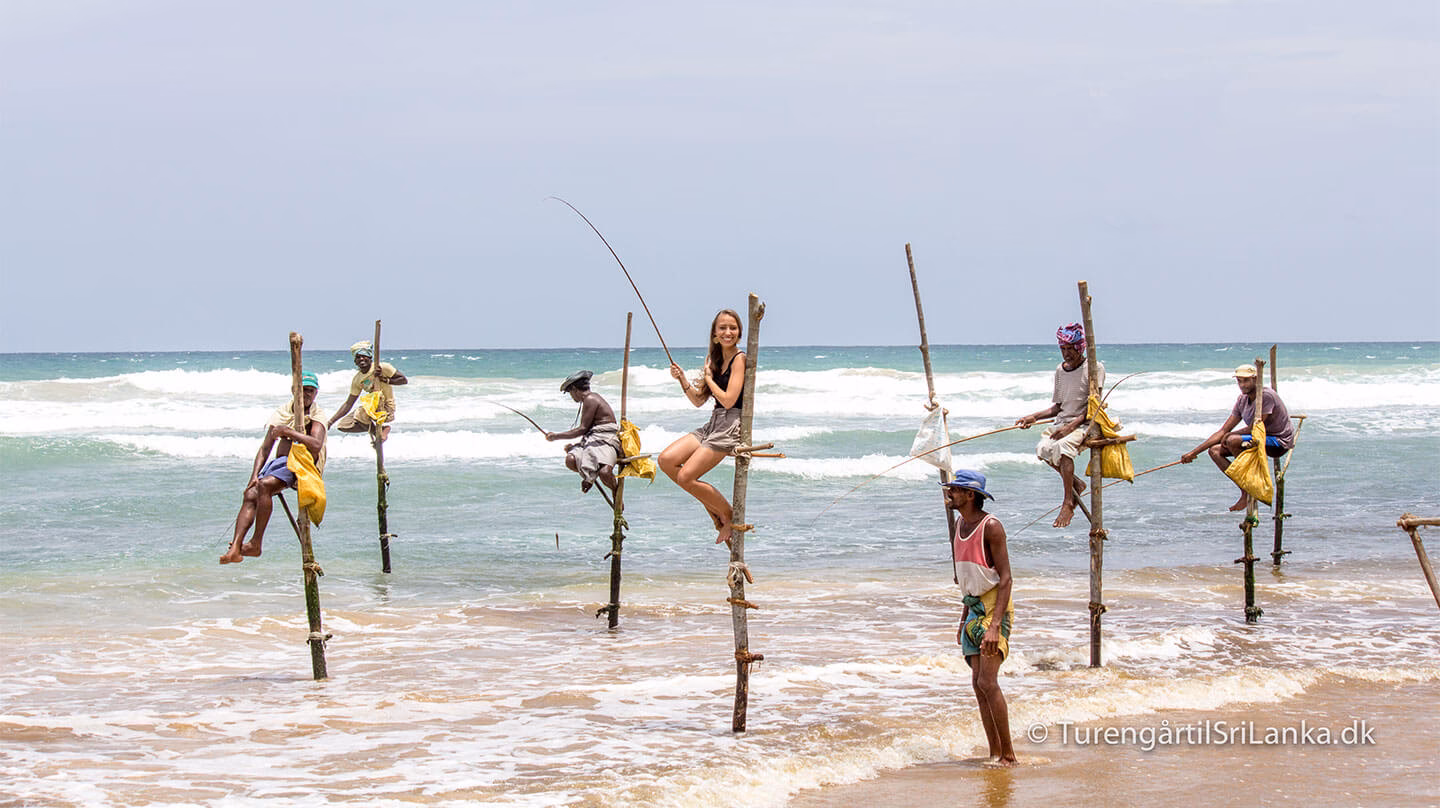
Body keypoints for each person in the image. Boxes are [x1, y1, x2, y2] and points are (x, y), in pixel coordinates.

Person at [945, 470, 1016, 767]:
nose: (950, 495)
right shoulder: (959, 524)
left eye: (955, 491)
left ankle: (1008, 754)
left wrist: (995, 625)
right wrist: (963, 619)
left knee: (988, 682)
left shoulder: (992, 527)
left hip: (992, 611)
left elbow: (1007, 578)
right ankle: (993, 752)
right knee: (977, 684)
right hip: (972, 610)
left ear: (970, 495)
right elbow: (967, 582)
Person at [658, 308, 746, 545]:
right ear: (715, 334)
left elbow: (728, 400)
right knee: (666, 460)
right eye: (723, 328)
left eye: (733, 328)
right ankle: (713, 505)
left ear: (739, 333)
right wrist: (682, 379)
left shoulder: (740, 359)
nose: (728, 332)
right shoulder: (715, 360)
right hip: (713, 422)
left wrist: (708, 378)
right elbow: (698, 400)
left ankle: (727, 514)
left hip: (730, 425)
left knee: (687, 476)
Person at [220, 372, 328, 564]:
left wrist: (288, 432)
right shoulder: (283, 412)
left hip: (304, 464)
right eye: (303, 390)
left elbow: (316, 445)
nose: (307, 395)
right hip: (282, 463)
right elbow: (265, 448)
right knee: (251, 493)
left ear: (316, 393)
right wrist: (253, 475)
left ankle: (256, 543)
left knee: (266, 485)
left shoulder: (317, 414)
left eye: (311, 391)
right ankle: (236, 547)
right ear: (294, 391)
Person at [1014, 323, 1105, 528]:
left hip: (1085, 424)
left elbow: (1094, 407)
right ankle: (1076, 483)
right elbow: (1058, 407)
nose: (1066, 354)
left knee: (1062, 448)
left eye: (1070, 349)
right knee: (1043, 449)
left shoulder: (1094, 368)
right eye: (1062, 349)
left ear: (1080, 347)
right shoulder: (1060, 370)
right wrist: (1034, 417)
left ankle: (1068, 502)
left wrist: (1072, 426)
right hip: (1064, 422)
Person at [1180, 363, 1296, 511]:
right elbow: (1223, 431)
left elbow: (1255, 428)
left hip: (1278, 441)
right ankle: (1245, 490)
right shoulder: (1242, 400)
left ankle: (1250, 484)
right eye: (1239, 381)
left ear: (1256, 379)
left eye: (1246, 380)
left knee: (1232, 440)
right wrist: (1193, 453)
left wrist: (1230, 435)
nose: (1242, 385)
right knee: (1215, 451)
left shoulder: (1266, 396)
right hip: (1257, 439)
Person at [545, 370, 620, 493]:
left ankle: (616, 492)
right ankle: (590, 475)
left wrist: (556, 436)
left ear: (574, 389)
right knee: (571, 460)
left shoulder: (591, 398)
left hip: (606, 439)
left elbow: (582, 429)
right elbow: (587, 431)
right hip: (594, 439)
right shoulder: (587, 400)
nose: (572, 397)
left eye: (570, 393)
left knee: (605, 473)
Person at [328, 340, 407, 442]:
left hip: (386, 408)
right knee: (344, 425)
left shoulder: (382, 367)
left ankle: (380, 433)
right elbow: (348, 403)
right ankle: (379, 432)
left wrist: (385, 379)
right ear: (355, 361)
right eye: (358, 357)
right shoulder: (357, 379)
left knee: (360, 413)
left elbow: (403, 380)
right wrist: (330, 422)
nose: (361, 359)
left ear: (370, 357)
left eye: (364, 356)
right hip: (371, 409)